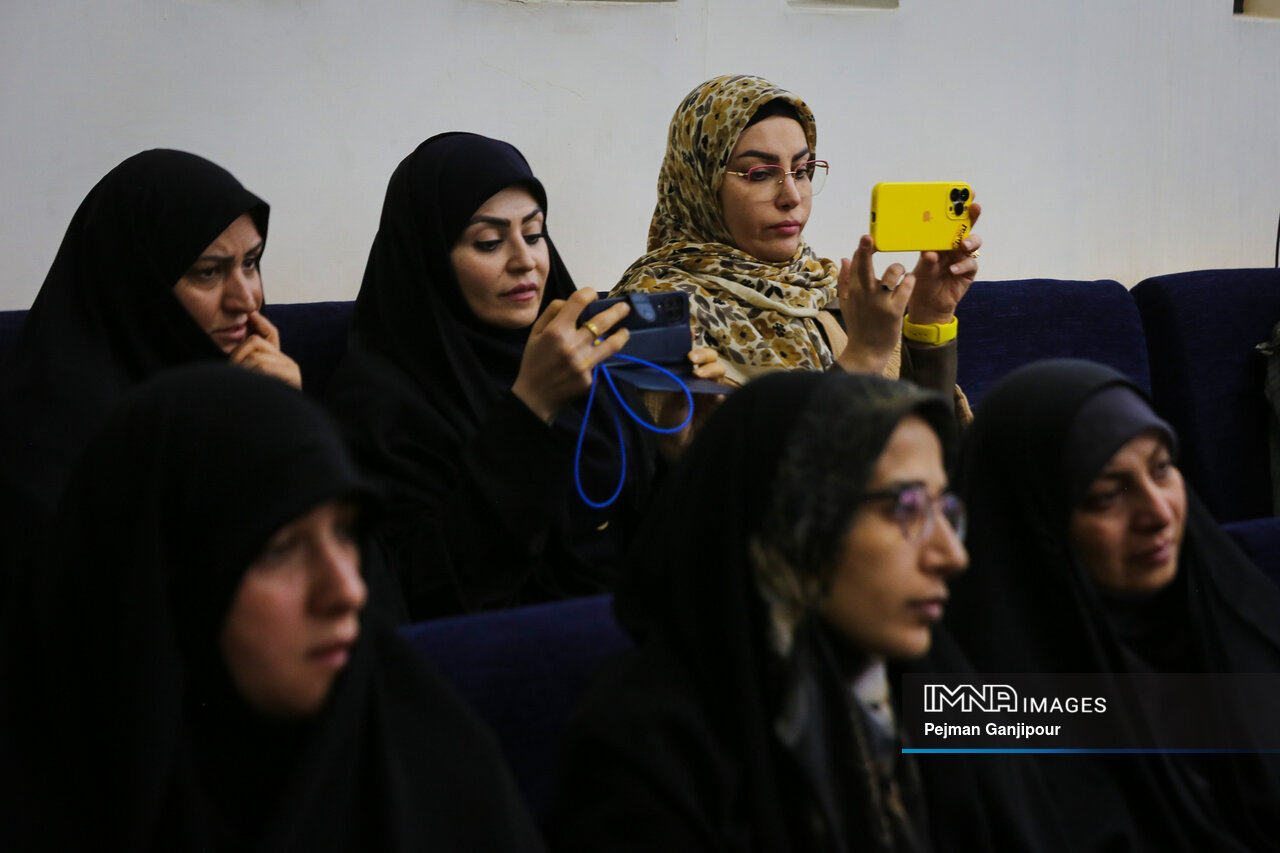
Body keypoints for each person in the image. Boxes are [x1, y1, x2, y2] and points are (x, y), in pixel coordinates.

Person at [0, 364, 544, 852]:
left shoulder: (435, 766)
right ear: (170, 582)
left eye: (345, 533)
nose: (348, 591)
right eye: (279, 550)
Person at [547, 371, 1064, 852]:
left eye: (944, 510)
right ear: (791, 519)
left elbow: (1088, 720)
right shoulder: (644, 748)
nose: (951, 555)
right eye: (904, 509)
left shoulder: (921, 680)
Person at [325, 132, 724, 621]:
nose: (525, 261)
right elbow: (423, 594)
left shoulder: (583, 358)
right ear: (429, 257)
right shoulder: (379, 402)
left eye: (534, 235)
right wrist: (531, 408)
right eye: (489, 242)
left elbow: (646, 552)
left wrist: (679, 457)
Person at [946, 359, 1280, 851]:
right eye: (1108, 495)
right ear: (1036, 526)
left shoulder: (1235, 628)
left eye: (1162, 469)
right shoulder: (975, 723)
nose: (1158, 513)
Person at [0, 149, 301, 590]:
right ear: (138, 286)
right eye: (208, 272)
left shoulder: (248, 377)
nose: (247, 299)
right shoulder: (48, 437)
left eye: (251, 263)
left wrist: (285, 416)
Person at [612, 73, 980, 415]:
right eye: (760, 174)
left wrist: (930, 320)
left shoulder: (824, 292)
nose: (791, 196)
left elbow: (923, 444)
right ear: (699, 185)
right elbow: (720, 461)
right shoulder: (654, 312)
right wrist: (863, 356)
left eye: (802, 171)